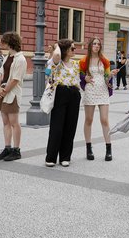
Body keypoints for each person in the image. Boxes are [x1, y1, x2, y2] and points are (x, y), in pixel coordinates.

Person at [44, 39, 81, 167]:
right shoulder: (56, 63)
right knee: (57, 126)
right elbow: (56, 55)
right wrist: (58, 46)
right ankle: (51, 157)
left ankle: (65, 156)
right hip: (60, 93)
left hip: (74, 94)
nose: (74, 50)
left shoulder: (76, 64)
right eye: (72, 48)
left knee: (70, 126)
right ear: (65, 50)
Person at [79, 38, 116, 162]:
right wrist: (85, 79)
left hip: (102, 91)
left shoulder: (104, 60)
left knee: (104, 120)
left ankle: (108, 149)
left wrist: (111, 74)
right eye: (94, 44)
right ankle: (88, 148)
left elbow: (106, 77)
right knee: (88, 120)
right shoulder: (84, 60)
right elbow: (80, 75)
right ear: (90, 46)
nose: (96, 46)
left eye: (98, 44)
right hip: (90, 90)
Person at [0, 32, 26, 162]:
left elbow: (15, 80)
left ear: (9, 42)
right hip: (4, 91)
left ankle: (16, 150)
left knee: (14, 122)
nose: (1, 43)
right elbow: (0, 73)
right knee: (5, 122)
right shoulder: (8, 56)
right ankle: (7, 148)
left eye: (3, 41)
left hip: (12, 94)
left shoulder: (21, 59)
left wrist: (2, 92)